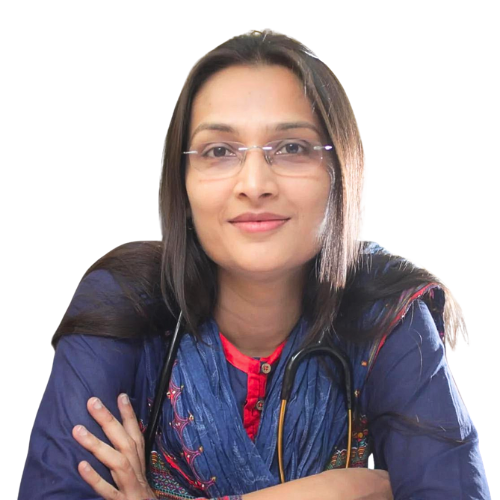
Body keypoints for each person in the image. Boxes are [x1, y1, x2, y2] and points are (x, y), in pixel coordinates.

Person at [18, 28, 490, 500]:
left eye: (292, 148)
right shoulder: (122, 301)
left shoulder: (387, 311)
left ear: (339, 174)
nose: (255, 184)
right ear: (182, 185)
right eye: (219, 151)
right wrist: (337, 491)